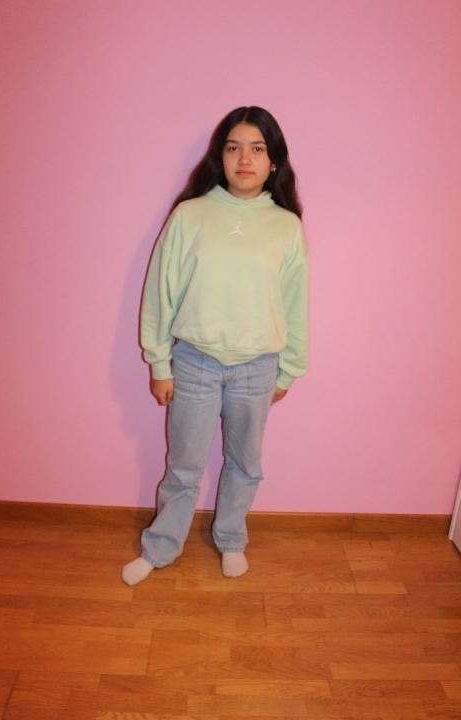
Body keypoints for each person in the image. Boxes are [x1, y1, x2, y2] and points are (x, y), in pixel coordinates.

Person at [122, 106, 309, 585]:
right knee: (184, 466)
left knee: (245, 464)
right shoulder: (191, 215)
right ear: (219, 156)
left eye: (257, 148)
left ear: (273, 160)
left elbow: (295, 303)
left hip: (257, 366)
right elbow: (160, 292)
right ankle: (161, 546)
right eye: (233, 147)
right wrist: (159, 364)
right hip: (194, 362)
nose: (244, 158)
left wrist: (289, 369)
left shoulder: (286, 226)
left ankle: (231, 538)